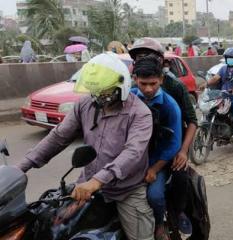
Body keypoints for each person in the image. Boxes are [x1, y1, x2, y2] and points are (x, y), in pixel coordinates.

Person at [16, 52, 155, 240]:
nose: (98, 97)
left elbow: (133, 152)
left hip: (125, 190)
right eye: (95, 91)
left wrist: (98, 181)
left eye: (104, 92)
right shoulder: (85, 104)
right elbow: (58, 136)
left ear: (121, 87)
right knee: (52, 228)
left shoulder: (140, 113)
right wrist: (20, 167)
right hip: (87, 183)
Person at [129, 37, 198, 237]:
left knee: (180, 176)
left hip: (171, 142)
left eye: (148, 56)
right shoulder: (132, 90)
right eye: (139, 57)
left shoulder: (174, 88)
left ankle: (178, 212)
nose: (148, 88)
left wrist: (183, 151)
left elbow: (192, 120)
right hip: (142, 148)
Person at [131, 57, 182, 240]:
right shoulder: (127, 99)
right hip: (131, 160)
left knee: (155, 196)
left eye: (153, 83)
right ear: (135, 79)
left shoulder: (170, 106)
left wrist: (154, 168)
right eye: (143, 83)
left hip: (156, 160)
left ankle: (160, 224)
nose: (148, 89)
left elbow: (174, 144)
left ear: (161, 79)